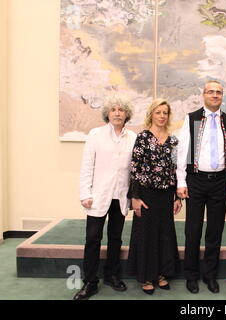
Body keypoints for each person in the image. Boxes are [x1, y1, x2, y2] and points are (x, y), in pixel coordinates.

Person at [176, 80, 226, 294]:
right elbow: (182, 151)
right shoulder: (192, 118)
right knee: (192, 231)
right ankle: (191, 275)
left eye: (218, 92)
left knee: (215, 231)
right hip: (195, 180)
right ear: (203, 94)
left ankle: (210, 275)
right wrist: (181, 181)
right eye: (210, 92)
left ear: (222, 96)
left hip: (220, 181)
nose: (214, 95)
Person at [74, 98, 137, 300]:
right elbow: (87, 166)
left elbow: (134, 171)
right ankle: (90, 282)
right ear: (107, 114)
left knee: (116, 238)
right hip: (98, 196)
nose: (117, 113)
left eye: (121, 110)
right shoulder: (96, 135)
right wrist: (85, 193)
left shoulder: (133, 137)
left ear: (127, 114)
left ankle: (111, 275)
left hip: (120, 196)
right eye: (113, 110)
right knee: (93, 238)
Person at [127, 99, 182, 295]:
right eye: (158, 112)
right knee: (146, 235)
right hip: (146, 194)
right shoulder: (142, 137)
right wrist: (135, 197)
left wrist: (178, 197)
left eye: (165, 113)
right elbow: (134, 169)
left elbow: (176, 170)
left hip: (166, 195)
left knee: (165, 234)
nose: (161, 116)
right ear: (151, 114)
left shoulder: (174, 141)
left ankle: (161, 273)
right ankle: (147, 276)